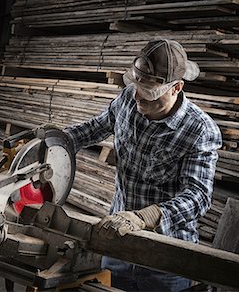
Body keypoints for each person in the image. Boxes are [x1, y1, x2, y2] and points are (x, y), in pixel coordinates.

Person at [63, 39, 222, 291]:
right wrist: (58, 140)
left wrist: (146, 216)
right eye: (136, 85)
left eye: (148, 91)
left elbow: (198, 197)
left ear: (176, 87)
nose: (137, 96)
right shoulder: (128, 99)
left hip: (166, 256)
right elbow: (96, 127)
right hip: (117, 241)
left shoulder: (199, 130)